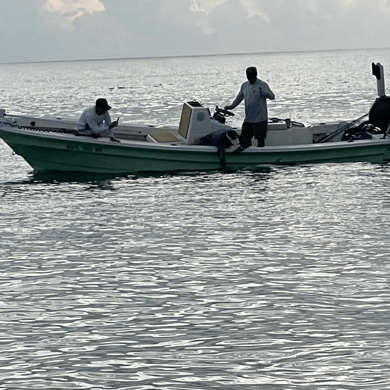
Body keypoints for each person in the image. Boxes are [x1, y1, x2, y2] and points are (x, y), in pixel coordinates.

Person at [225, 66, 275, 147]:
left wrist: (264, 93)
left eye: (253, 75)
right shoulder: (244, 85)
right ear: (247, 76)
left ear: (256, 75)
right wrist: (231, 107)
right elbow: (240, 97)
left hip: (260, 118)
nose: (251, 78)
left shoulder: (262, 84)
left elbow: (272, 96)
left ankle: (261, 155)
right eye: (249, 76)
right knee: (244, 139)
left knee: (260, 140)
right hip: (248, 119)